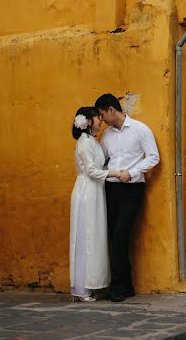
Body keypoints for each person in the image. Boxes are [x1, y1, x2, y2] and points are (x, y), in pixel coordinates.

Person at [96, 94, 160, 302]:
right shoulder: (106, 135)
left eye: (102, 114)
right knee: (115, 238)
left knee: (120, 236)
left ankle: (116, 288)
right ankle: (127, 286)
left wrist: (131, 173)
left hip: (132, 189)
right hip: (111, 189)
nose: (102, 118)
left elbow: (153, 157)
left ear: (111, 110)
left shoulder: (140, 130)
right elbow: (103, 160)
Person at [70, 107, 128, 301]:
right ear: (88, 122)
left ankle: (91, 283)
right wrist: (117, 173)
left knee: (94, 237)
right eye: (97, 117)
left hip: (96, 191)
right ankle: (82, 287)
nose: (101, 120)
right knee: (86, 237)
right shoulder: (84, 144)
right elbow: (92, 171)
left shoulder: (92, 142)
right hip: (87, 191)